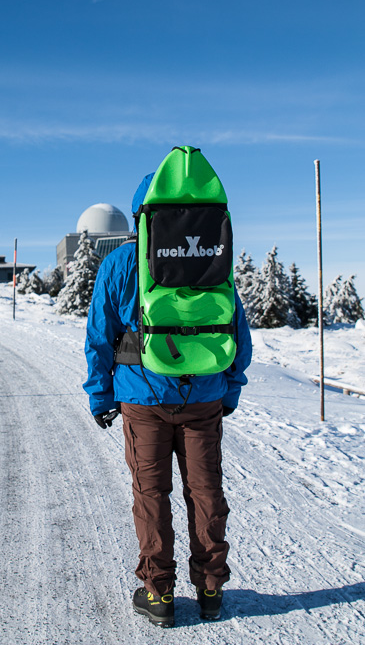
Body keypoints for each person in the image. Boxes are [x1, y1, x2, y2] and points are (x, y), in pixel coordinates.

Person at [84, 172, 252, 628]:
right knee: (205, 491)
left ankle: (158, 594)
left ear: (142, 214)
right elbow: (237, 333)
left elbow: (102, 337)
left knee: (152, 494)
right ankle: (211, 587)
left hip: (143, 401)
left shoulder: (120, 264)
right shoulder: (210, 259)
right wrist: (229, 388)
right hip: (204, 398)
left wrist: (103, 395)